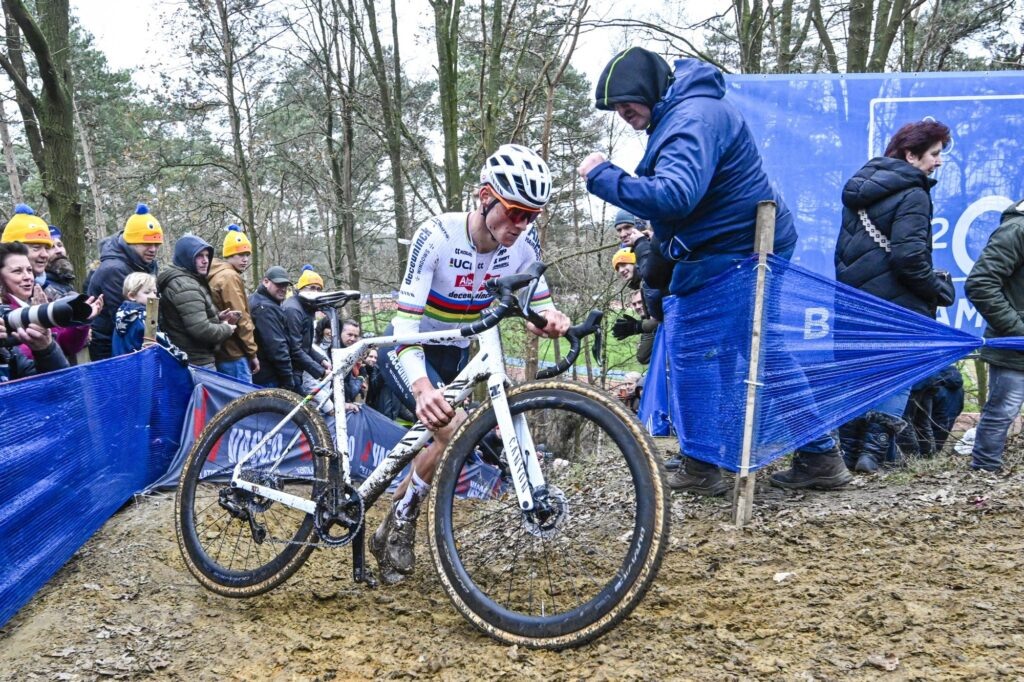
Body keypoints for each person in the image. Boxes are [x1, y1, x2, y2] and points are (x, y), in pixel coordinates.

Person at [578, 47, 848, 494]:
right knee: (750, 350)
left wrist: (602, 175)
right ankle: (812, 456)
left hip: (741, 250)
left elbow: (674, 196)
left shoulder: (692, 120)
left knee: (697, 348)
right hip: (734, 246)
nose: (622, 113)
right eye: (617, 109)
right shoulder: (685, 110)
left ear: (648, 88)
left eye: (626, 103)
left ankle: (707, 465)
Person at [371, 143, 570, 584]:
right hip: (410, 348)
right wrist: (423, 388)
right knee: (455, 430)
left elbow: (538, 305)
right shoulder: (437, 235)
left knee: (448, 439)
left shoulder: (524, 240)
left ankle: (393, 522)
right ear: (485, 197)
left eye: (532, 216)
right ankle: (401, 522)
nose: (522, 225)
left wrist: (551, 320)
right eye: (515, 212)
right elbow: (404, 322)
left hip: (458, 352)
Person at [831, 120, 955, 474]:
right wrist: (939, 291)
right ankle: (873, 454)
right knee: (896, 375)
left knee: (859, 376)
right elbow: (909, 258)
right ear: (910, 154)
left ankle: (850, 454)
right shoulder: (914, 193)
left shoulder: (859, 190)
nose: (938, 162)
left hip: (855, 300)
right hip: (898, 304)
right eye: (933, 154)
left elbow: (844, 253)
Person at [964, 198, 1024, 472]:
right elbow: (980, 284)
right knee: (1002, 412)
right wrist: (1018, 331)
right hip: (1015, 348)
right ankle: (984, 472)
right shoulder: (1016, 230)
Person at [2, 206, 100, 363]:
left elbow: (64, 345)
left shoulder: (42, 291)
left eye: (46, 247)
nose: (44, 254)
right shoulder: (6, 304)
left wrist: (81, 322)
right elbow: (21, 360)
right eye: (36, 247)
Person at [88, 204, 163, 361]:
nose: (153, 249)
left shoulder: (144, 264)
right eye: (147, 244)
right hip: (112, 348)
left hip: (134, 342)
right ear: (131, 242)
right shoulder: (114, 270)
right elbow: (127, 317)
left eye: (156, 244)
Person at [156, 234, 237, 370]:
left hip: (192, 359)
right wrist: (226, 328)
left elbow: (190, 318)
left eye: (207, 256)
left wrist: (217, 318)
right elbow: (201, 329)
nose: (205, 261)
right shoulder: (185, 285)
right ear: (186, 257)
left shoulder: (188, 279)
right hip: (196, 362)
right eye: (199, 256)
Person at [0, 242, 69, 381]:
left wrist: (45, 348)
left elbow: (55, 384)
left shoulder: (8, 352)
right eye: (17, 271)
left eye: (29, 270)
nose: (27, 277)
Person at [207, 224, 260, 382]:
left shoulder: (216, 274)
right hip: (234, 353)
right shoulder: (230, 277)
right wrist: (252, 352)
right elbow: (240, 317)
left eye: (247, 254)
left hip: (222, 351)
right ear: (229, 255)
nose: (245, 259)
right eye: (239, 254)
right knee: (244, 403)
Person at [250, 266, 300, 391]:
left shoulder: (260, 301)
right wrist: (288, 380)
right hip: (267, 376)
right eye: (279, 284)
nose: (283, 289)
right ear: (266, 282)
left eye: (285, 285)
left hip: (264, 372)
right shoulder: (266, 308)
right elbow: (277, 347)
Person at [112, 273, 158, 355]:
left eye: (155, 292)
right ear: (132, 296)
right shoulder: (141, 318)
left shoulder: (122, 314)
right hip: (138, 364)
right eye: (147, 292)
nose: (153, 296)